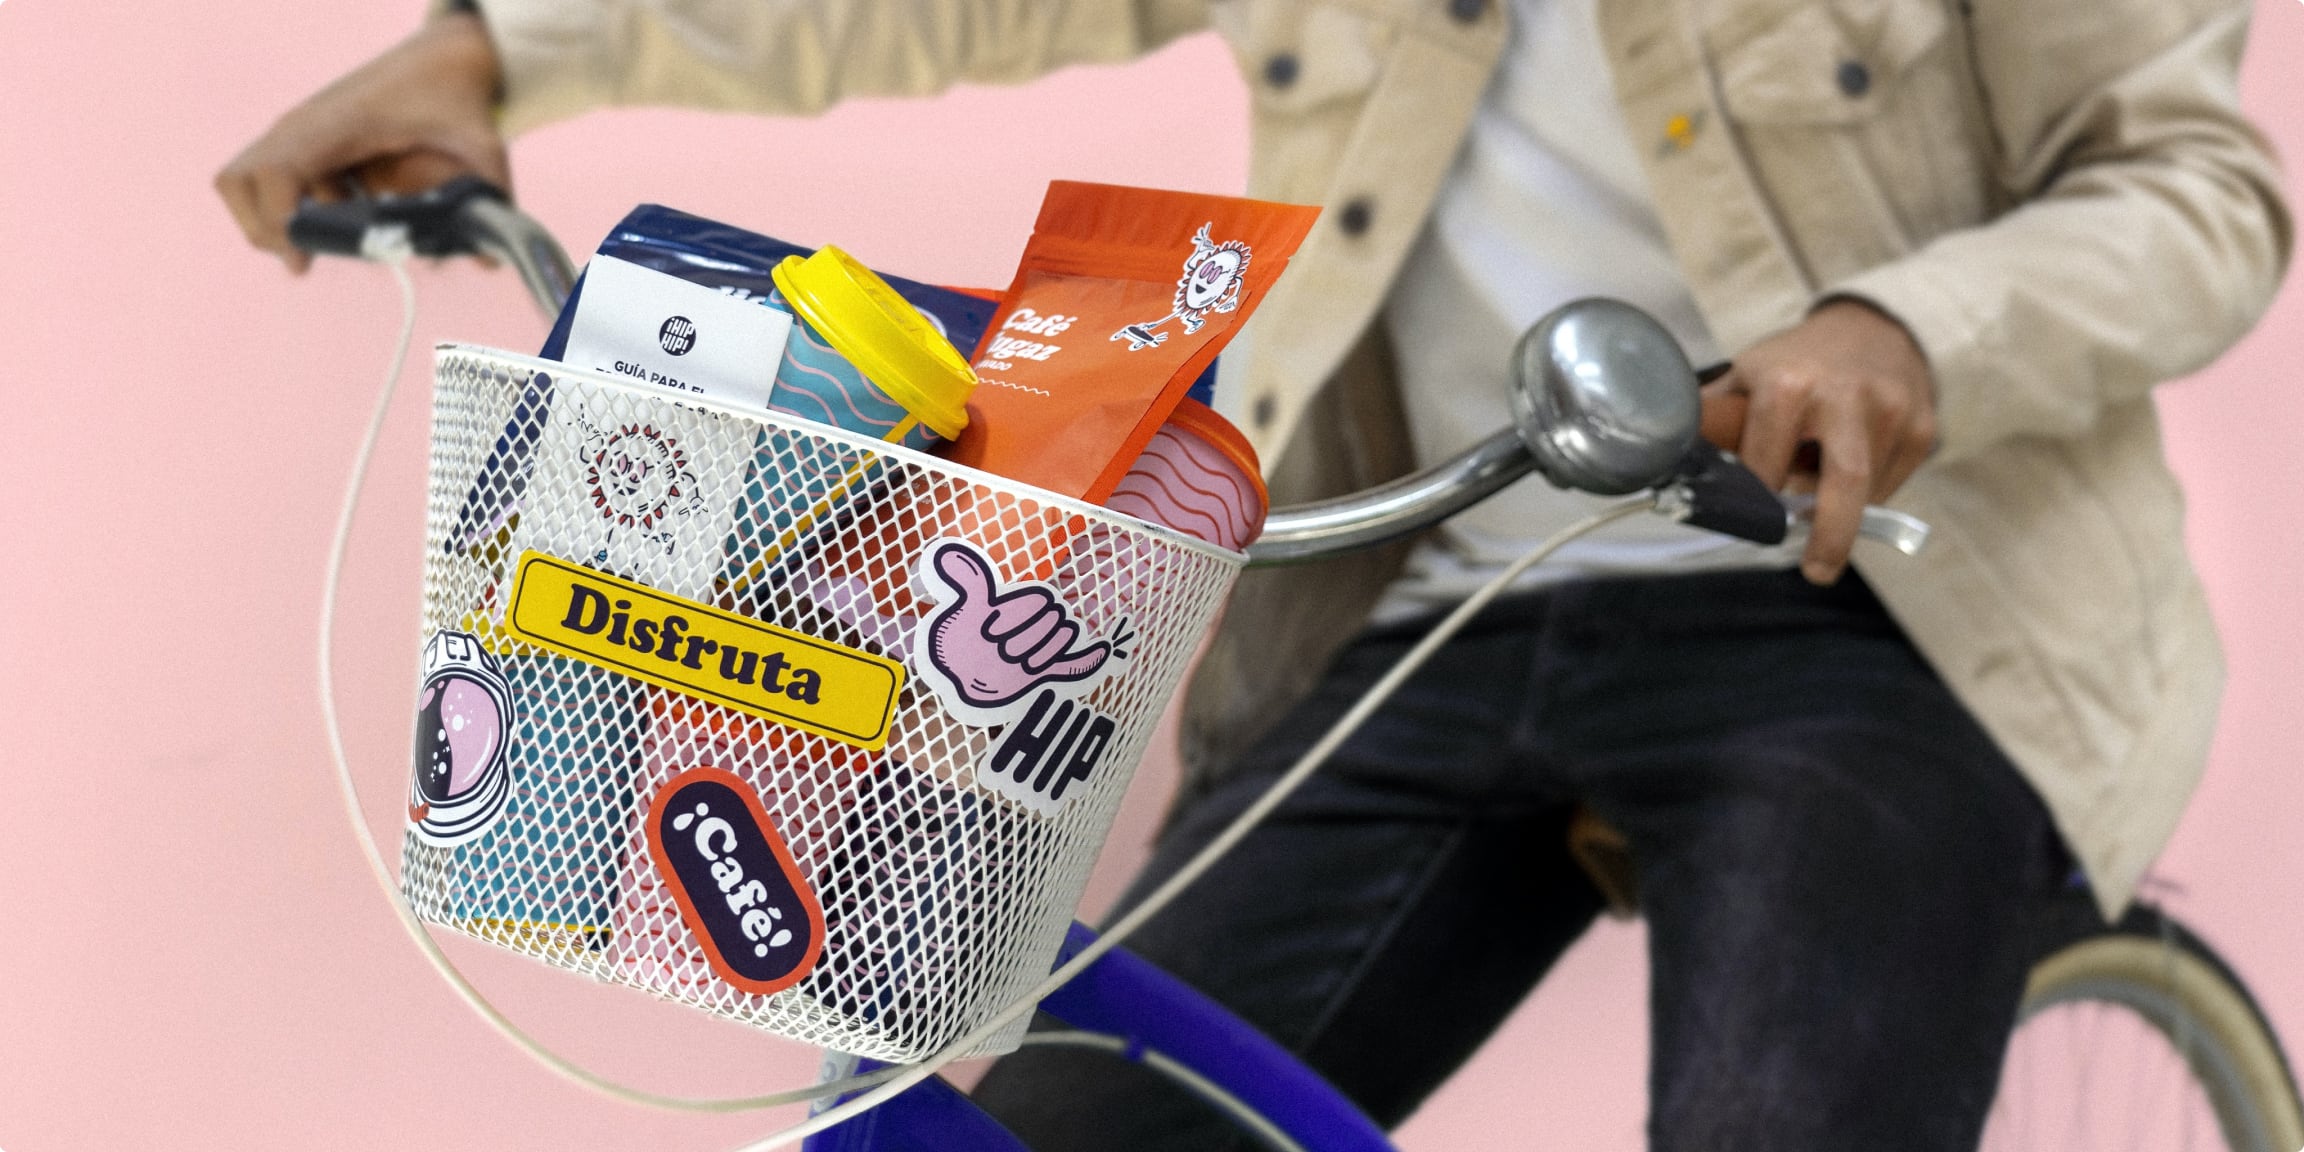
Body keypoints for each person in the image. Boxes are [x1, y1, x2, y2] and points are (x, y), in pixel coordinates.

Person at [219, 0, 2289, 1146]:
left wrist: (1906, 332)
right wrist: (504, 51)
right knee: (1060, 1131)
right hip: (1429, 605)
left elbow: (2195, 183)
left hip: (1864, 615)